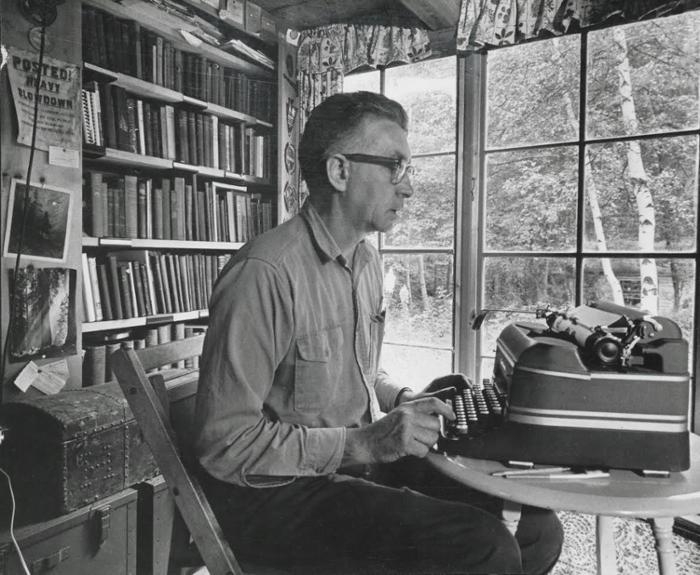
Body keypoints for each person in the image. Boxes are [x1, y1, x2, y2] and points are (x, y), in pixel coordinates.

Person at [193, 90, 563, 574]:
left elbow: (358, 373)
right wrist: (362, 444)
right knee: (484, 546)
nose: (407, 188)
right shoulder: (264, 274)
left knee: (538, 528)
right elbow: (226, 443)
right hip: (279, 497)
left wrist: (400, 400)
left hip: (352, 466)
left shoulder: (365, 261)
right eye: (395, 167)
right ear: (340, 171)